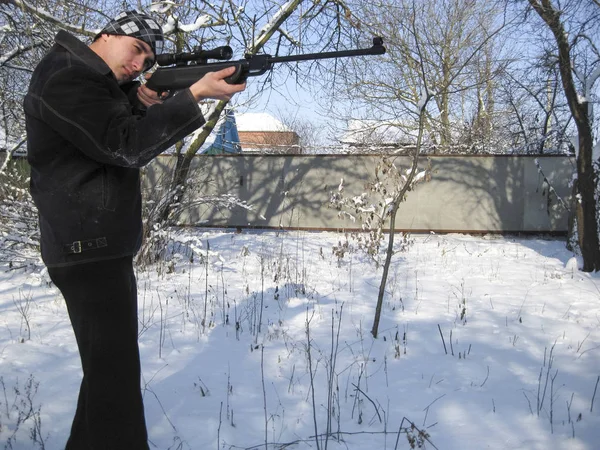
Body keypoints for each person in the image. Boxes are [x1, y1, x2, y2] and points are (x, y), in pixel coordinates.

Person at [23, 10, 245, 449]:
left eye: (148, 58)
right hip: (87, 246)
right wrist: (193, 94)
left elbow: (107, 131)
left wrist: (139, 101)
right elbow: (122, 146)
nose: (140, 64)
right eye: (137, 49)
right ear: (104, 36)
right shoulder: (66, 75)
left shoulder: (90, 82)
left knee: (108, 374)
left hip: (97, 243)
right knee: (116, 380)